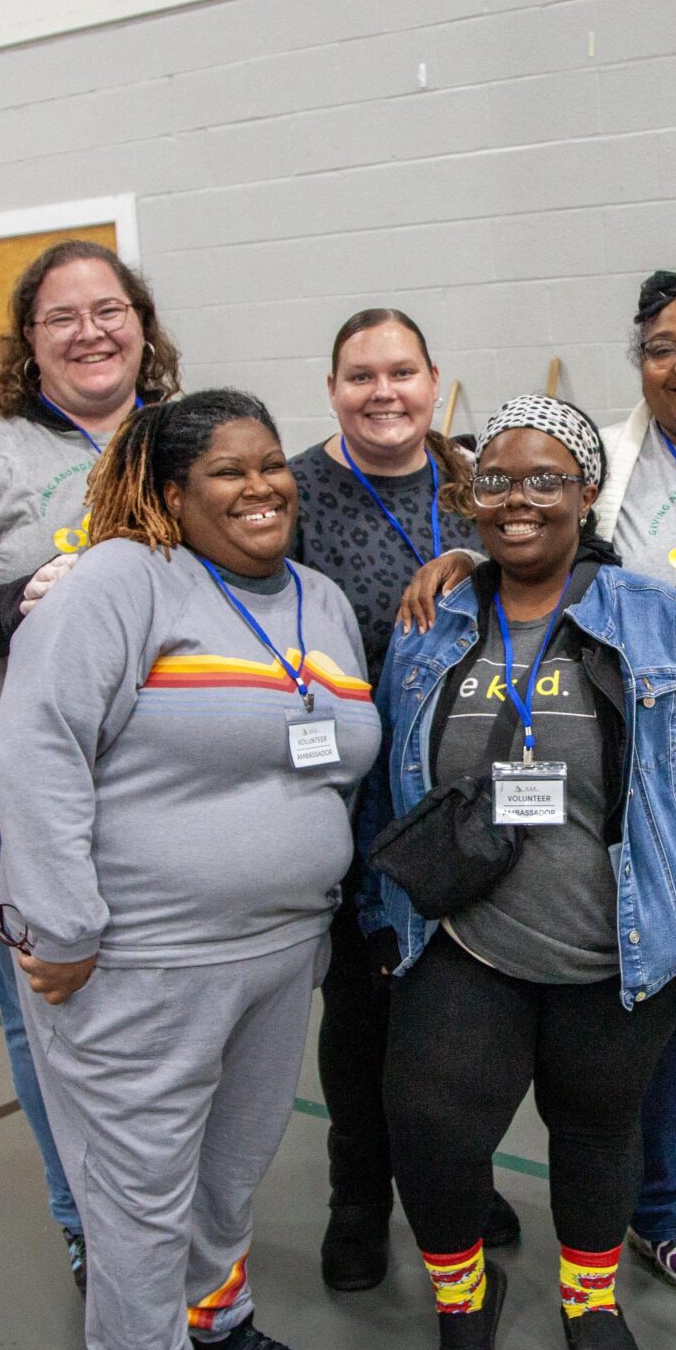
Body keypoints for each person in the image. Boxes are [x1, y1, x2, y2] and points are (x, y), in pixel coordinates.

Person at [0, 391, 381, 1350]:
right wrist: (59, 924)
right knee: (136, 1195)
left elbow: (332, 756)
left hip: (278, 953)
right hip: (141, 962)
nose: (263, 487)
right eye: (228, 472)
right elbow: (39, 746)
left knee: (230, 1169)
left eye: (272, 466)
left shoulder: (316, 598)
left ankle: (216, 1326)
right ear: (170, 494)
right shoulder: (120, 584)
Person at [368, 395, 676, 1350]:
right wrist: (385, 908)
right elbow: (389, 776)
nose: (517, 501)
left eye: (545, 479)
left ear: (585, 494)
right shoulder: (433, 618)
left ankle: (591, 1303)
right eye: (495, 480)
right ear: (470, 498)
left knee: (596, 1133)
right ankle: (466, 1299)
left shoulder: (656, 618)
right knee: (431, 1126)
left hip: (620, 947)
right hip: (466, 940)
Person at [0, 238, 180, 1293]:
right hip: (4, 794)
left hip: (155, 790)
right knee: (46, 1013)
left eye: (110, 309)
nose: (90, 331)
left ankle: (164, 1206)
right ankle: (84, 1221)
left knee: (157, 1012)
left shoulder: (182, 438)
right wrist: (24, 602)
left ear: (142, 325)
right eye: (63, 316)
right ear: (29, 341)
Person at [285, 307, 517, 1293]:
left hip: (468, 788)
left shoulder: (473, 483)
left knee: (465, 1008)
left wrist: (476, 558)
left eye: (402, 373)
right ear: (333, 388)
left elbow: (548, 567)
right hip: (353, 801)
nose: (383, 393)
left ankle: (456, 1176)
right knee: (364, 1012)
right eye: (359, 375)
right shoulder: (293, 492)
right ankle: (357, 1198)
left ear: (434, 380)